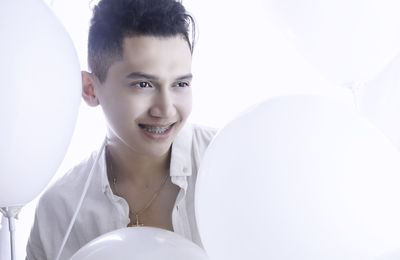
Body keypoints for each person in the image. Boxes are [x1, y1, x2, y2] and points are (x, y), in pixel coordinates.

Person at [26, 0, 216, 259]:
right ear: (90, 89)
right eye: (143, 85)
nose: (166, 109)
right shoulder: (61, 209)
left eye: (180, 84)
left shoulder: (227, 163)